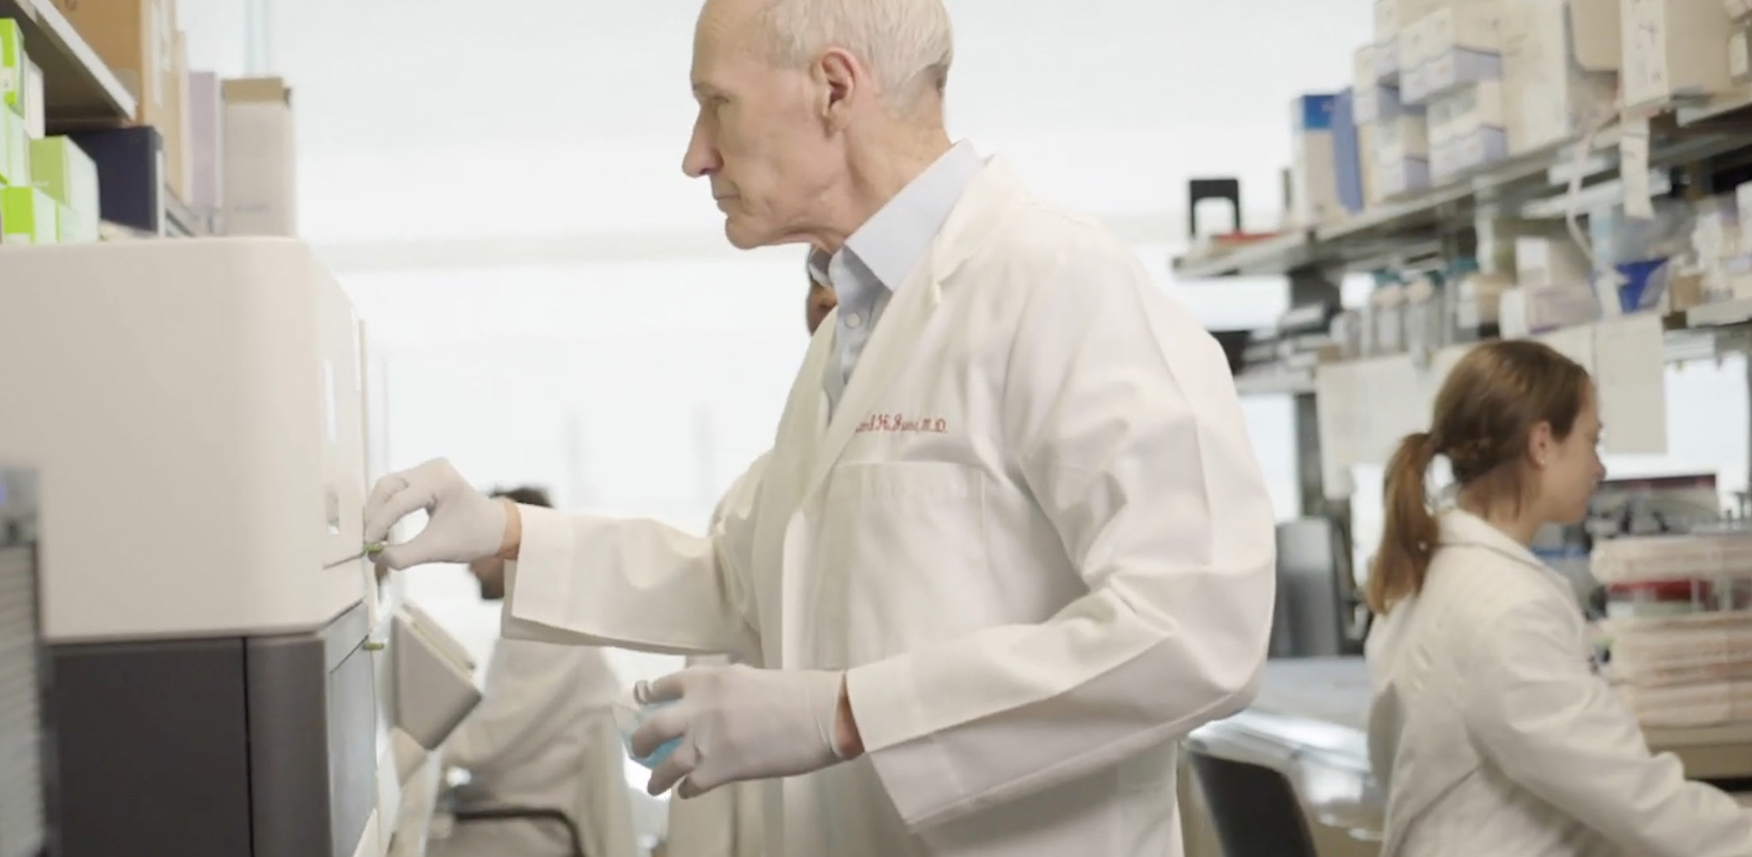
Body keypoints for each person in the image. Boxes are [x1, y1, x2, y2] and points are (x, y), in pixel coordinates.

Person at [362, 0, 1279, 853]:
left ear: (834, 89)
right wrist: (508, 533)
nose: (696, 155)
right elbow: (747, 578)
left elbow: (1195, 626)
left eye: (715, 105)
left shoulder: (1055, 284)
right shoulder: (855, 323)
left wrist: (846, 713)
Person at [1364, 340, 1752, 857]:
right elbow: (1629, 796)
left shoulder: (1433, 570)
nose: (1600, 468)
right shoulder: (1506, 603)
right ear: (1542, 443)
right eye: (1592, 441)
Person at [663, 251, 834, 857]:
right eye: (816, 286)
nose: (826, 298)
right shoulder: (766, 483)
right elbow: (712, 593)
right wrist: (515, 536)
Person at [433, 487, 636, 857]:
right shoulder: (535, 621)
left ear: (512, 547)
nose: (469, 567)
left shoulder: (548, 631)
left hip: (533, 824)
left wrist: (420, 748)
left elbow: (486, 740)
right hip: (515, 812)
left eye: (477, 546)